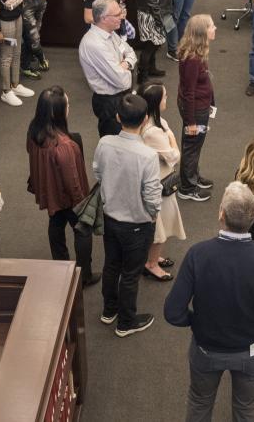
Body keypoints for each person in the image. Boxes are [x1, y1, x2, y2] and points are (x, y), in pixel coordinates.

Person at [164, 181, 254, 422]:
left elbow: (173, 312)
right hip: (251, 352)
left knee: (199, 402)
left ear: (221, 214)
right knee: (246, 408)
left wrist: (196, 321)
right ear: (253, 218)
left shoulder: (198, 254)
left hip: (206, 349)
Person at [94, 94, 162, 337]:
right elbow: (153, 195)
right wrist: (153, 215)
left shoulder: (104, 143)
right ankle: (126, 322)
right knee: (131, 274)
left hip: (110, 218)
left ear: (117, 117)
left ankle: (108, 310)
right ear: (145, 119)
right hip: (137, 224)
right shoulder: (148, 155)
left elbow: (98, 173)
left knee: (111, 265)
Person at [26, 86, 100, 286]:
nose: (69, 108)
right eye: (67, 105)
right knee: (82, 231)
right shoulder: (65, 146)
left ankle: (60, 268)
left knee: (55, 224)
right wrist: (82, 205)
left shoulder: (34, 130)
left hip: (50, 192)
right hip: (69, 198)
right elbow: (72, 181)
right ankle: (84, 275)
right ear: (58, 112)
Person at [138, 82, 186, 281]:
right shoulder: (153, 131)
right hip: (160, 185)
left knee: (161, 225)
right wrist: (173, 138)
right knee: (160, 227)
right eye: (165, 97)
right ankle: (151, 264)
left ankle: (153, 258)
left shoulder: (153, 122)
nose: (167, 99)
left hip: (159, 181)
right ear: (156, 102)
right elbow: (174, 156)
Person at [78, 0, 137, 137]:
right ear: (104, 18)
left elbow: (131, 53)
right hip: (109, 103)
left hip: (119, 97)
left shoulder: (110, 34)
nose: (122, 16)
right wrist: (126, 67)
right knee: (115, 143)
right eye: (117, 14)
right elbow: (122, 81)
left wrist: (124, 64)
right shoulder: (94, 44)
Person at [176, 14, 216, 203]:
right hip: (195, 110)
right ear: (202, 32)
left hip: (199, 106)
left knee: (194, 145)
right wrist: (191, 121)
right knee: (192, 146)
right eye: (211, 26)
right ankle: (187, 187)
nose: (215, 28)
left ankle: (192, 176)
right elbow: (189, 92)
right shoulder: (192, 59)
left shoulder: (197, 51)